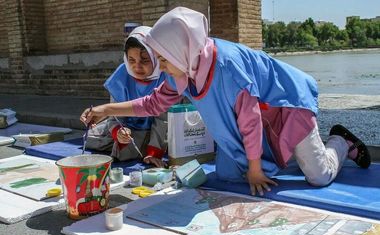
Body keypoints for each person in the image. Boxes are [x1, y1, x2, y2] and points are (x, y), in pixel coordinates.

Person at [81, 7, 371, 195]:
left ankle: (340, 143)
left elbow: (250, 120)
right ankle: (291, 151)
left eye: (162, 59)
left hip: (286, 105)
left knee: (318, 177)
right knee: (229, 174)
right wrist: (104, 110)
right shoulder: (183, 68)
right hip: (261, 115)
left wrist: (255, 169)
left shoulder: (227, 67)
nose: (160, 66)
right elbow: (152, 104)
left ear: (179, 49)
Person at [85, 26, 167, 168]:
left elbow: (163, 121)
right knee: (97, 137)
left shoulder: (165, 75)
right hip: (130, 133)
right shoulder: (122, 75)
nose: (137, 67)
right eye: (131, 60)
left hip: (159, 134)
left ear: (156, 57)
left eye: (145, 60)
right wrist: (119, 132)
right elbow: (114, 116)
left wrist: (154, 152)